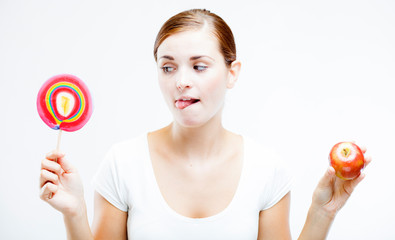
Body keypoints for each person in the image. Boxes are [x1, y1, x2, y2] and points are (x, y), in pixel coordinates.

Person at [39, 9, 371, 240]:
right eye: (168, 68)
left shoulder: (267, 169)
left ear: (232, 72)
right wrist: (74, 213)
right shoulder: (122, 164)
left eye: (199, 66)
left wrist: (321, 212)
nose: (181, 81)